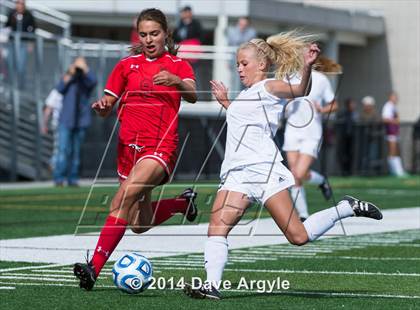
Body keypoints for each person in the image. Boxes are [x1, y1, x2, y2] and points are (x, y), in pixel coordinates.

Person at [183, 32, 382, 300]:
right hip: (236, 174)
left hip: (264, 171)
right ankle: (211, 286)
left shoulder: (269, 87)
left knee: (298, 236)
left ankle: (345, 208)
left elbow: (300, 90)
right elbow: (246, 121)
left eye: (244, 63)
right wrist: (227, 103)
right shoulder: (245, 95)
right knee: (216, 228)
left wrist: (307, 66)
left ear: (262, 65)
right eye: (237, 64)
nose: (239, 68)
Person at [73, 8, 199, 291]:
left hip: (159, 149)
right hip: (126, 151)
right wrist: (103, 107)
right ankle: (183, 202)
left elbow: (191, 94)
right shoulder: (125, 66)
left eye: (154, 33)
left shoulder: (178, 65)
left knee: (122, 197)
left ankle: (93, 267)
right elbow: (108, 104)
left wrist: (176, 81)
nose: (149, 39)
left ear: (166, 33)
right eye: (143, 34)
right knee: (139, 223)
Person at [282, 55, 340, 220]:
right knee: (294, 174)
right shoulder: (289, 78)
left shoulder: (320, 79)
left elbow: (334, 104)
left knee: (299, 173)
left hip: (312, 132)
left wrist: (322, 109)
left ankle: (320, 181)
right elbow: (281, 100)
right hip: (292, 130)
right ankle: (304, 215)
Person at [53, 57, 97, 186]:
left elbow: (94, 82)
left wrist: (84, 69)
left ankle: (72, 178)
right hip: (66, 120)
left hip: (81, 121)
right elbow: (59, 88)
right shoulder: (69, 77)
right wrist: (70, 72)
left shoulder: (86, 80)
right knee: (63, 150)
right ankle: (59, 178)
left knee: (76, 152)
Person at [5, 0, 36, 86]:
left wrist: (31, 43)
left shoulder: (28, 15)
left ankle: (20, 85)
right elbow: (7, 27)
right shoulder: (12, 14)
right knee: (10, 64)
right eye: (18, 3)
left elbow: (33, 30)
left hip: (23, 44)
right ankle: (11, 85)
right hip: (12, 44)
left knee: (21, 66)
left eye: (21, 3)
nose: (19, 5)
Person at [227, 17, 257, 93]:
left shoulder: (251, 32)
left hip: (247, 60)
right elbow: (234, 41)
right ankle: (234, 100)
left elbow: (247, 44)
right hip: (234, 60)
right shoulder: (231, 31)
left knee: (246, 79)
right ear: (237, 23)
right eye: (241, 24)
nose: (242, 26)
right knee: (235, 81)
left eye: (244, 24)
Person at [382, 91, 407, 176]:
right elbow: (385, 118)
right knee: (392, 151)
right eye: (394, 97)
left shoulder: (393, 106)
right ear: (390, 97)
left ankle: (398, 171)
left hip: (395, 132)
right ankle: (393, 170)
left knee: (396, 151)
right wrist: (394, 121)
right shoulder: (388, 106)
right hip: (390, 132)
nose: (396, 99)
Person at [336, 98, 358, 176]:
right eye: (352, 104)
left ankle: (350, 171)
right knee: (343, 154)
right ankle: (344, 171)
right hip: (343, 138)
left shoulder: (354, 114)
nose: (354, 106)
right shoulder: (343, 114)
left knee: (351, 154)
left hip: (352, 137)